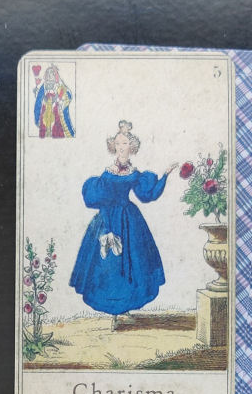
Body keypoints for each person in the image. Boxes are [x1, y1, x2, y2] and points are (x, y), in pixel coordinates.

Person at [69, 121, 178, 327]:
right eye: (117, 143)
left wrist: (165, 175)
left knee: (133, 262)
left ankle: (124, 308)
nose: (120, 147)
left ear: (132, 147)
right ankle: (113, 312)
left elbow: (147, 194)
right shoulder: (108, 172)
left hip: (129, 221)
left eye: (125, 143)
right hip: (107, 219)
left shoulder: (134, 173)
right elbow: (98, 197)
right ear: (113, 146)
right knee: (109, 264)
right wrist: (108, 227)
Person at [34, 64, 74, 139]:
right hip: (45, 112)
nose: (49, 75)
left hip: (56, 112)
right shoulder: (43, 86)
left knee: (57, 129)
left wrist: (58, 98)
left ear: (55, 75)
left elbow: (68, 96)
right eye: (48, 73)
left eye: (52, 73)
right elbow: (38, 100)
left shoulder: (59, 85)